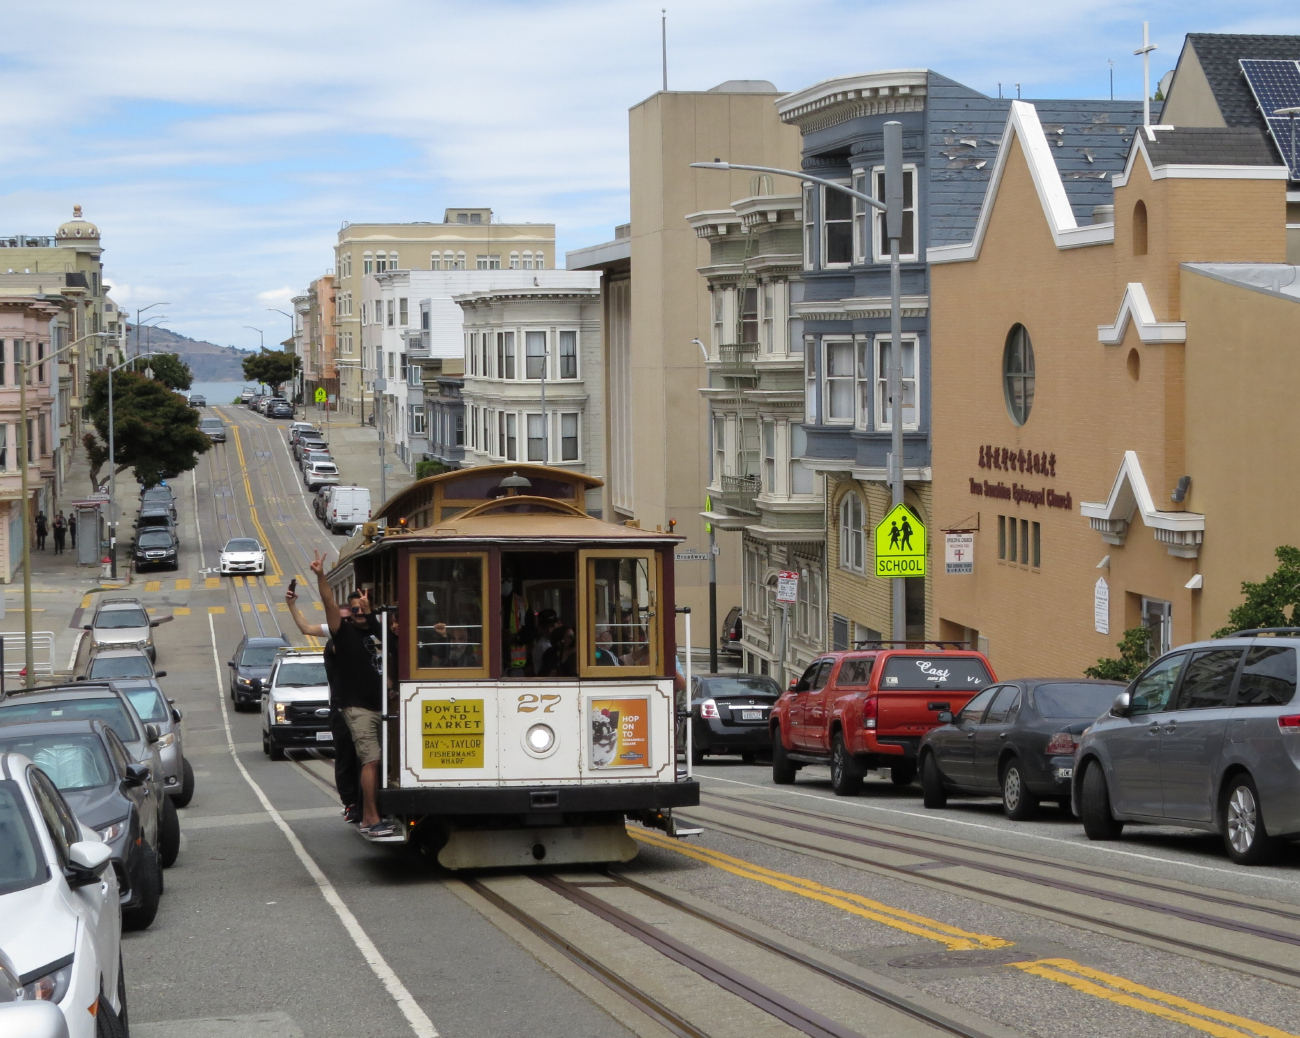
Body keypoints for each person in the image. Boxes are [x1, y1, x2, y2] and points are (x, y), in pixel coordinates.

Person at [311, 549, 393, 837]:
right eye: (355, 609)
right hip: (357, 708)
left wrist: (371, 615)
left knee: (382, 761)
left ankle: (379, 810)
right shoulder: (341, 633)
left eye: (363, 608)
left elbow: (390, 649)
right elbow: (328, 601)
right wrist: (321, 575)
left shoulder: (375, 631)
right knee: (370, 760)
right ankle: (370, 817)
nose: (358, 613)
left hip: (381, 706)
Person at [287, 582, 359, 825]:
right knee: (346, 755)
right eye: (343, 618)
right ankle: (350, 803)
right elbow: (306, 627)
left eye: (351, 616)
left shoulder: (364, 633)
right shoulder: (335, 635)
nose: (346, 622)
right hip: (341, 706)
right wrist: (292, 605)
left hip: (364, 703)